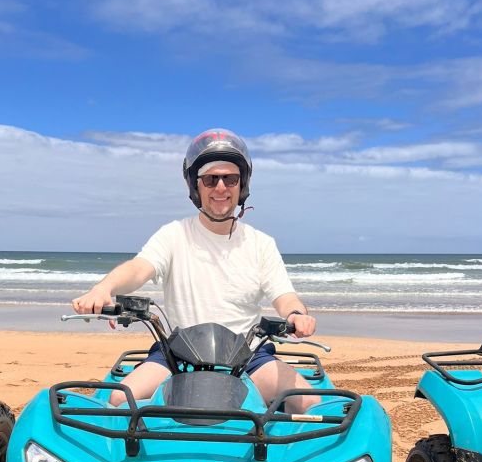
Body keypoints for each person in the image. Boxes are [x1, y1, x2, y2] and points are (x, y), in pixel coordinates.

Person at [72, 128, 317, 412]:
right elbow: (139, 269)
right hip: (178, 355)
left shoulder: (261, 243)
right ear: (195, 185)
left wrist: (296, 314)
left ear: (243, 185)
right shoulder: (173, 234)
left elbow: (283, 295)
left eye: (231, 178)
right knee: (119, 400)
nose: (221, 188)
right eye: (211, 179)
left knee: (309, 402)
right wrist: (104, 289)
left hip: (248, 355)